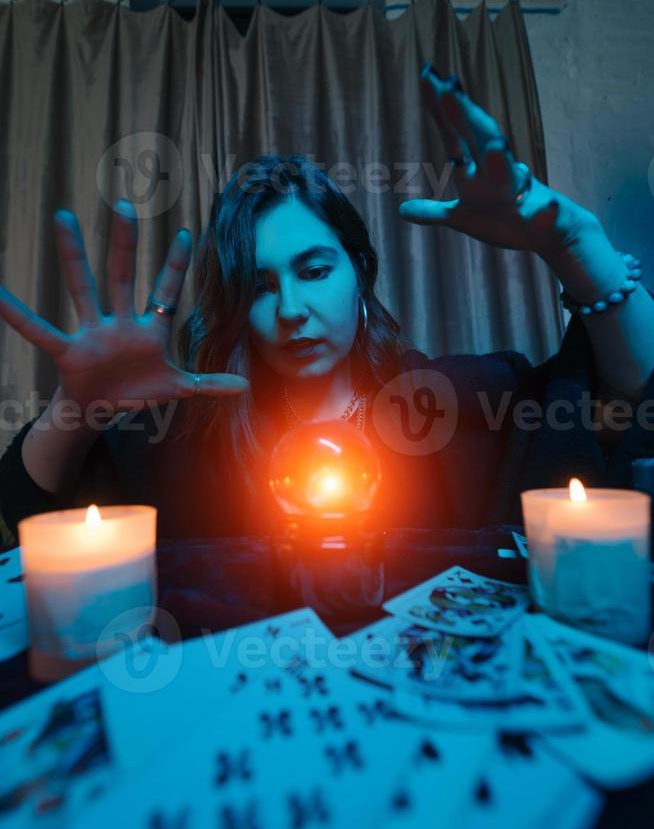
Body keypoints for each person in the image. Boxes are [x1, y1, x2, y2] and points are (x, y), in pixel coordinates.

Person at [1, 65, 653, 543]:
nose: (290, 307)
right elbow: (26, 521)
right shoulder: (178, 443)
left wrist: (578, 247)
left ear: (359, 272)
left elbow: (630, 403)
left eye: (314, 270)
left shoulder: (465, 403)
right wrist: (75, 412)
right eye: (258, 287)